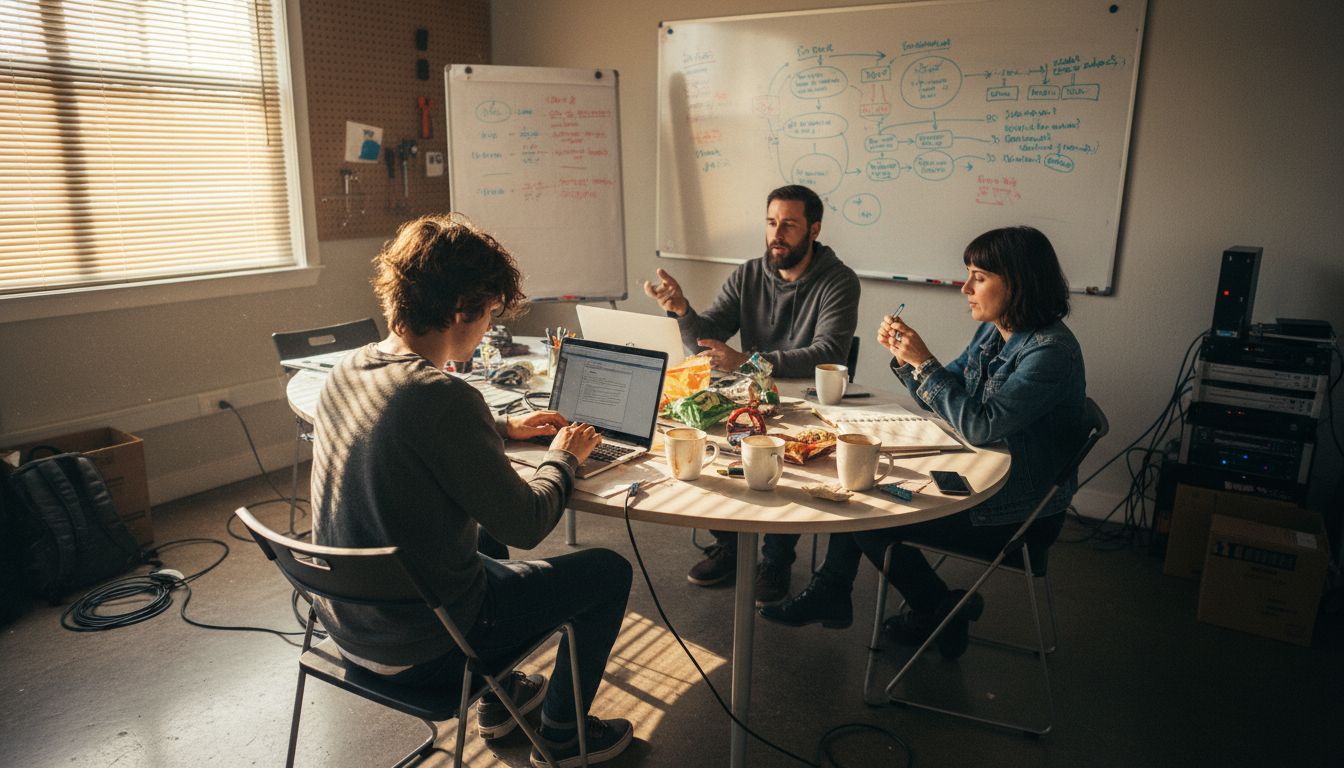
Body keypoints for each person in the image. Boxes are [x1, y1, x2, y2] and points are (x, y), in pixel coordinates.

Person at [310, 214, 634, 768]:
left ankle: (500, 701)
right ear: (463, 308)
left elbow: (407, 432)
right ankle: (563, 735)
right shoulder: (443, 398)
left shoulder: (349, 368)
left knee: (483, 539)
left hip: (350, 629)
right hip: (425, 647)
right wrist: (563, 457)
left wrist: (501, 428)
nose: (487, 328)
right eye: (489, 314)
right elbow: (527, 524)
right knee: (607, 572)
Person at [760, 225, 1087, 660]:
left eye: (979, 278)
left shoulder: (1049, 353)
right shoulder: (996, 331)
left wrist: (925, 362)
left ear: (1018, 283)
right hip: (984, 474)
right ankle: (846, 594)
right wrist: (908, 360)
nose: (965, 288)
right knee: (859, 484)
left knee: (867, 513)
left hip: (1018, 510)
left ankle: (937, 610)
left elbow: (979, 425)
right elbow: (947, 397)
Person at [644, 184, 860, 604]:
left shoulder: (839, 281)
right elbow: (705, 339)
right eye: (771, 223)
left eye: (789, 225)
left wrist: (748, 360)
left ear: (814, 230)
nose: (777, 234)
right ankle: (731, 544)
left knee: (786, 456)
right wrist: (682, 310)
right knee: (693, 439)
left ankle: (776, 560)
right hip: (753, 399)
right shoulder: (748, 274)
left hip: (807, 402)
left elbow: (829, 352)